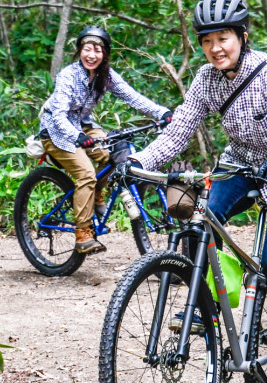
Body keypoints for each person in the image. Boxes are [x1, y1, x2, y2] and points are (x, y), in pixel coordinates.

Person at [130, 0, 267, 383]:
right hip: (240, 165)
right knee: (200, 220)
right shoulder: (205, 80)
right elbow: (178, 131)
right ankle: (208, 306)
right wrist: (139, 160)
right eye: (207, 40)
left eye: (224, 37)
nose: (216, 47)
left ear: (242, 36)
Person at [39, 25, 172, 255]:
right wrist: (78, 137)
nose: (92, 55)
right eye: (87, 49)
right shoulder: (68, 76)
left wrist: (162, 113)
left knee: (113, 156)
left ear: (105, 54)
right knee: (86, 174)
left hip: (83, 125)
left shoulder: (106, 75)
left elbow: (133, 97)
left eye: (98, 50)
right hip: (56, 131)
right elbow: (59, 116)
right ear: (80, 50)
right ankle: (83, 232)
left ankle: (96, 193)